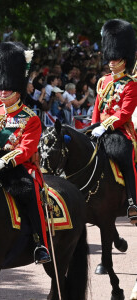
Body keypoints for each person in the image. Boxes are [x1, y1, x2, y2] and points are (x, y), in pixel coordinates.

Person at [0, 42, 51, 264]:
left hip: (19, 166)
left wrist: (3, 162)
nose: (3, 91)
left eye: (8, 89)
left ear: (18, 91)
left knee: (29, 193)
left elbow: (26, 149)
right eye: (2, 89)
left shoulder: (31, 118)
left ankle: (40, 244)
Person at [91, 19, 137, 224]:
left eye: (115, 58)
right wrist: (93, 128)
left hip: (120, 130)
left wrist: (105, 126)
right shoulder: (103, 81)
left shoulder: (131, 84)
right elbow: (97, 108)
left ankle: (132, 201)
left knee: (126, 158)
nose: (111, 61)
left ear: (124, 60)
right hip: (99, 128)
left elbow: (125, 113)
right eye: (110, 57)